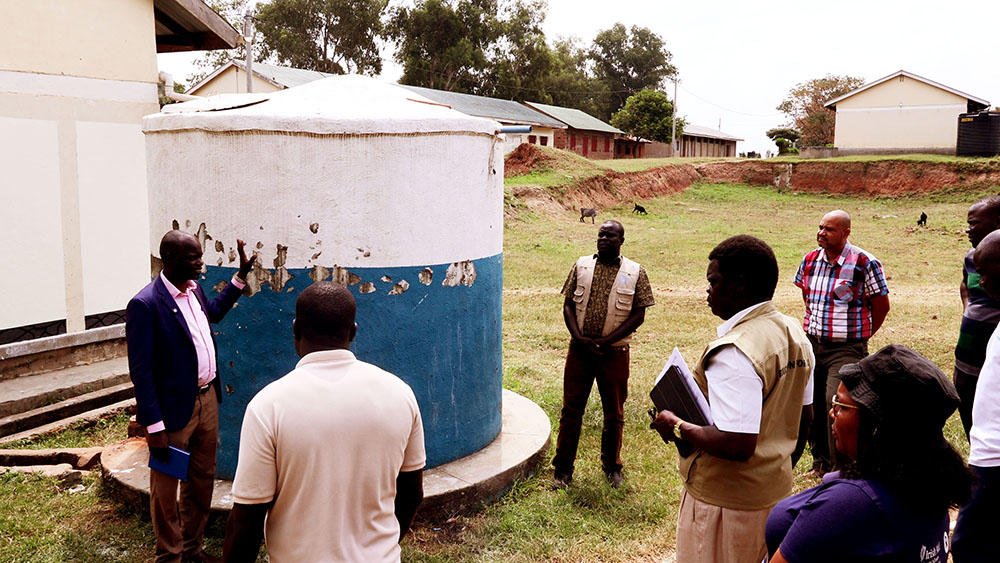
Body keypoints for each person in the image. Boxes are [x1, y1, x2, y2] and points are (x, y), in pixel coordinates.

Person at [223, 282, 425, 563]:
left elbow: (247, 521)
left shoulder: (268, 406)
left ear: (295, 330)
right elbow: (411, 496)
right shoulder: (400, 393)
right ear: (353, 331)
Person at [651, 235, 814, 563]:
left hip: (724, 506)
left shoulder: (734, 353)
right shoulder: (794, 333)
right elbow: (804, 418)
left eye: (714, 281)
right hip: (774, 496)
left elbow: (737, 443)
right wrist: (772, 472)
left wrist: (677, 424)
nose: (707, 290)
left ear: (739, 285)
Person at [766, 345, 972, 563]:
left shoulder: (851, 503)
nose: (832, 412)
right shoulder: (926, 484)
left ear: (878, 425)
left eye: (841, 406)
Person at [126, 230, 255, 563]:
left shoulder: (193, 291)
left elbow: (213, 311)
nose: (200, 263)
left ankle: (191, 550)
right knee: (166, 491)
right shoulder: (146, 304)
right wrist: (153, 425)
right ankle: (169, 557)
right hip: (171, 412)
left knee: (201, 480)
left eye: (200, 256)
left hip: (207, 399)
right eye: (192, 258)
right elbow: (141, 371)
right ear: (169, 260)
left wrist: (240, 277)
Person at [553, 220, 654, 489]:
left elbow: (639, 313)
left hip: (615, 353)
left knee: (615, 412)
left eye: (610, 236)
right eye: (601, 235)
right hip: (580, 351)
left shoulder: (635, 272)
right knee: (571, 410)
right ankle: (562, 470)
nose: (603, 239)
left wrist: (608, 340)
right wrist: (578, 338)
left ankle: (612, 467)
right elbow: (567, 305)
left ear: (621, 240)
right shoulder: (581, 265)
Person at [795, 210, 890, 474]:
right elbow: (807, 295)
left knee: (836, 403)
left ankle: (841, 469)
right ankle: (820, 463)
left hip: (846, 348)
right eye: (820, 227)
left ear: (846, 232)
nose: (822, 233)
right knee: (810, 402)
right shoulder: (810, 260)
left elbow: (881, 305)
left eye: (830, 229)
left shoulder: (865, 262)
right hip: (812, 344)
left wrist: (861, 336)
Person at [953, 229, 1000, 562]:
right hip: (988, 453)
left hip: (994, 460)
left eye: (985, 271)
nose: (980, 282)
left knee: (971, 545)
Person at [954, 197, 1000, 439]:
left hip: (993, 356)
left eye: (974, 224)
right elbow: (965, 285)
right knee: (967, 403)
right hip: (967, 356)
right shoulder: (973, 256)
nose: (968, 229)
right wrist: (968, 310)